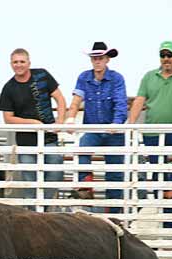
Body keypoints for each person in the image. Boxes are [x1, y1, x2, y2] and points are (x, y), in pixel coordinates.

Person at [128, 41, 172, 228]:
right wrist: (130, 125)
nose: (166, 59)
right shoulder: (149, 77)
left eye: (170, 55)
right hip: (152, 131)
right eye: (163, 55)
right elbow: (139, 100)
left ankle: (171, 189)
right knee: (160, 175)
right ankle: (169, 223)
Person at [0, 48, 67, 206]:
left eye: (22, 61)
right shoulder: (9, 88)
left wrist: (60, 121)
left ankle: (44, 207)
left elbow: (60, 99)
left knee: (56, 173)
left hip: (49, 137)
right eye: (15, 62)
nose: (19, 65)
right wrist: (33, 123)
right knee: (30, 181)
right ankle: (34, 212)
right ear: (11, 64)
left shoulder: (42, 74)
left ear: (29, 63)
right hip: (26, 141)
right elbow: (8, 119)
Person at [66, 42, 128, 213]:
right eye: (95, 58)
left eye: (100, 58)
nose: (97, 61)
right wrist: (71, 117)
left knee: (115, 174)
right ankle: (86, 189)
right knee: (81, 152)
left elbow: (120, 103)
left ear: (107, 59)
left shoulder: (116, 78)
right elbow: (76, 100)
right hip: (93, 129)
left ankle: (115, 214)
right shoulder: (84, 77)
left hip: (113, 131)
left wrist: (116, 123)